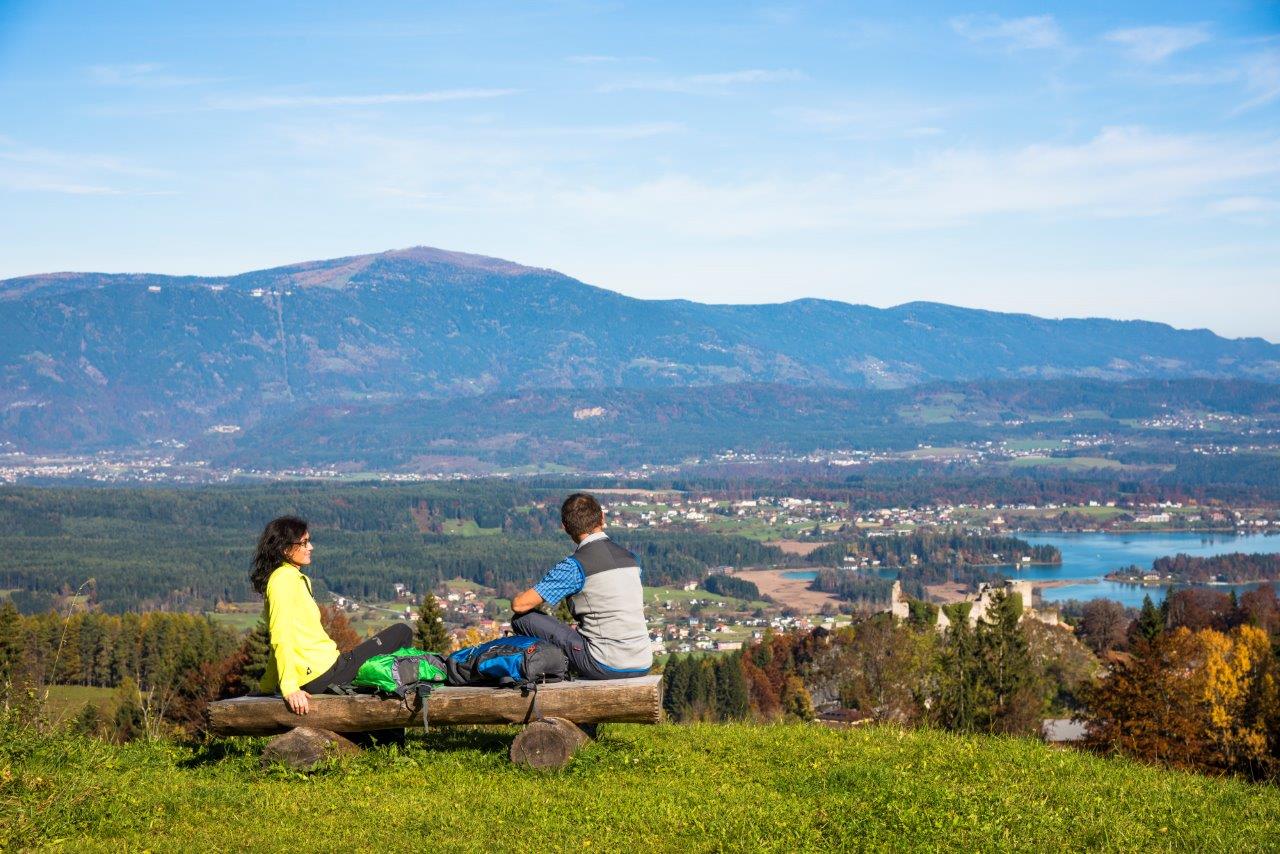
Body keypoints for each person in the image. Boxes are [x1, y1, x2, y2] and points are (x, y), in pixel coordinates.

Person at [251, 515, 413, 715]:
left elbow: (287, 637)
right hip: (324, 673)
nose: (311, 547)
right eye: (304, 542)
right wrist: (289, 688)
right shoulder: (283, 581)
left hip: (325, 670)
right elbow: (280, 637)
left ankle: (386, 724)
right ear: (285, 549)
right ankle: (394, 715)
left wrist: (267, 686)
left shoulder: (290, 577)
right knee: (401, 632)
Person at [511, 493, 653, 679]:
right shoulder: (631, 559)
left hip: (603, 664)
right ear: (602, 518)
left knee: (523, 619)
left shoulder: (575, 566)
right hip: (643, 662)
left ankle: (550, 669)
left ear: (566, 527)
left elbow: (520, 605)